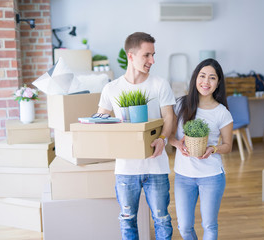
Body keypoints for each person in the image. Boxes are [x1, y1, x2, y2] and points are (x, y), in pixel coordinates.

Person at [97, 32, 175, 240]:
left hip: (156, 166)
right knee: (127, 219)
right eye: (147, 55)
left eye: (153, 55)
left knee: (161, 219)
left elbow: (169, 117)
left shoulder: (160, 84)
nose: (152, 60)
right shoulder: (111, 89)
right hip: (125, 168)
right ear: (130, 56)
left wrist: (163, 139)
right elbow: (100, 121)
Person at [168, 58, 233, 240]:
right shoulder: (181, 104)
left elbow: (228, 146)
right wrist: (177, 144)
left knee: (209, 225)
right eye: (202, 76)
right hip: (183, 175)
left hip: (211, 176)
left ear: (218, 83)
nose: (206, 82)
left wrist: (213, 149)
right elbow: (170, 136)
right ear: (195, 77)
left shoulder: (222, 112)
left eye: (212, 78)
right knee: (184, 227)